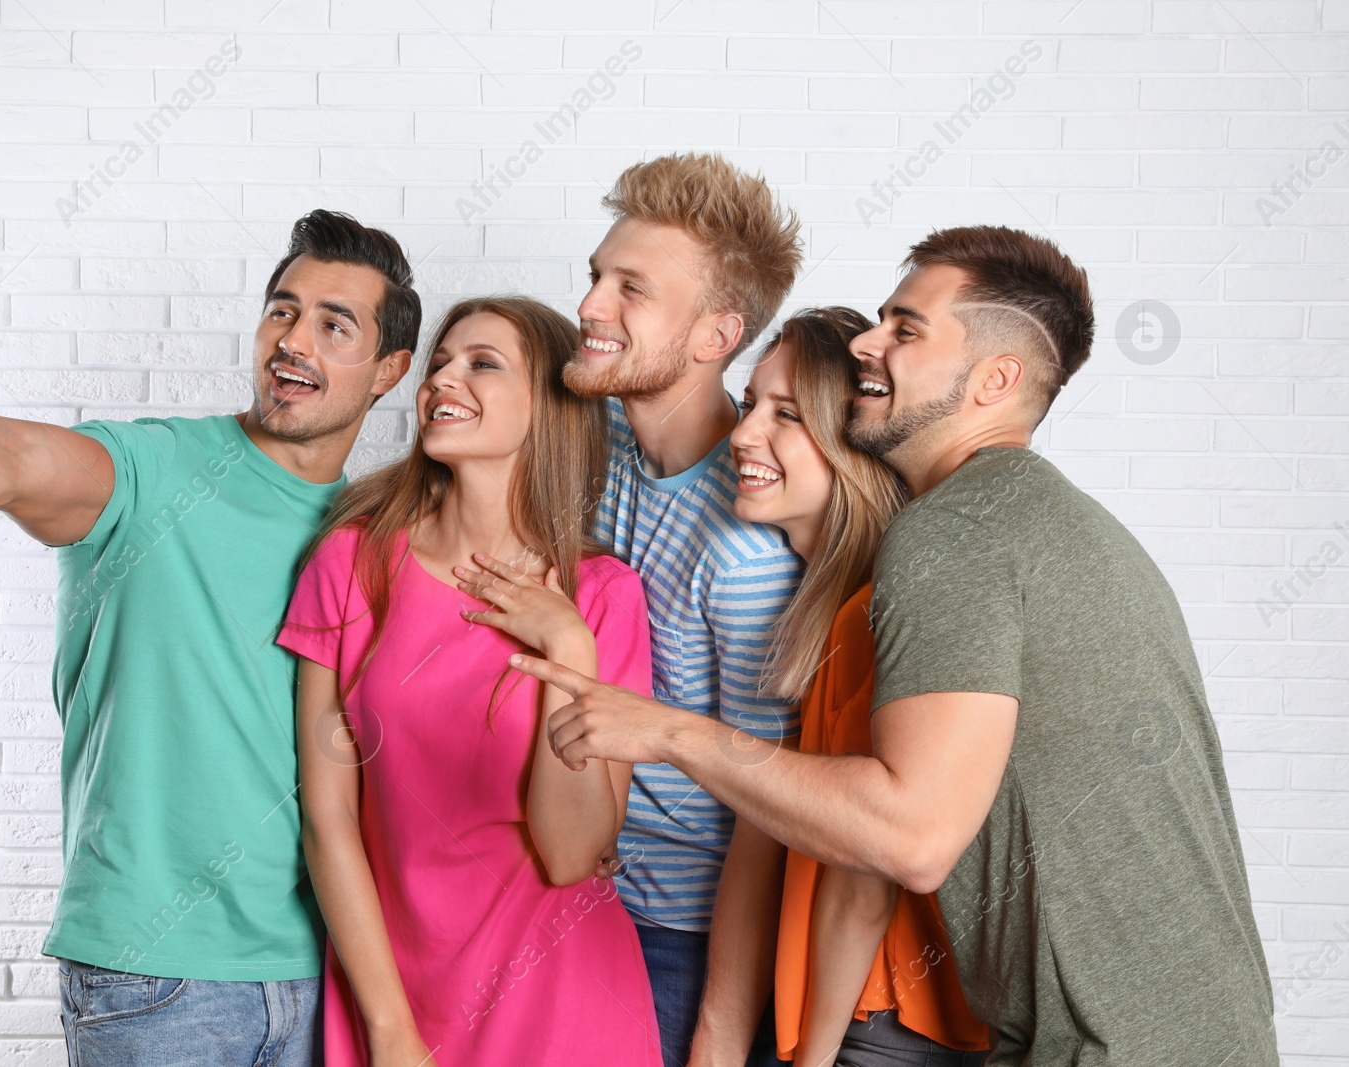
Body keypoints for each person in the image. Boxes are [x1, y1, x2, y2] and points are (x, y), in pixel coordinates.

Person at [512, 225, 1279, 1065]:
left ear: (996, 379)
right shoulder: (1062, 525)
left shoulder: (952, 537)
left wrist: (666, 731)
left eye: (906, 329)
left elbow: (908, 836)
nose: (869, 345)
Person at [0, 209, 420, 1066]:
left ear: (391, 369)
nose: (292, 340)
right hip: (154, 980)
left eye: (333, 325)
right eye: (282, 309)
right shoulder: (153, 472)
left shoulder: (376, 535)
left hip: (323, 973)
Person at [280, 296, 663, 1067]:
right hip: (398, 1002)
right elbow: (329, 819)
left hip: (567, 1002)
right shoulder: (352, 565)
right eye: (440, 363)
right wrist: (388, 1029)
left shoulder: (603, 597)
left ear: (548, 408)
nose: (443, 379)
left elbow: (570, 854)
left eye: (482, 363)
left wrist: (568, 650)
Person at [562, 151, 805, 1067]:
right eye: (595, 276)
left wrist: (715, 1035)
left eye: (632, 288)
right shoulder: (602, 450)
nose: (590, 306)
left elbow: (764, 808)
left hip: (680, 945)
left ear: (715, 336)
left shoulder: (744, 547)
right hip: (572, 907)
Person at [728, 308, 986, 1066]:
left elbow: (862, 874)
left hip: (869, 1022)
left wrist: (810, 1054)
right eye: (748, 407)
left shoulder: (868, 611)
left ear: (852, 441)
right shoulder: (840, 599)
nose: (743, 436)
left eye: (787, 415)